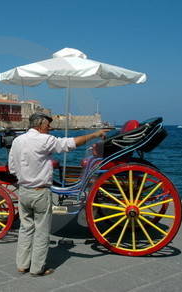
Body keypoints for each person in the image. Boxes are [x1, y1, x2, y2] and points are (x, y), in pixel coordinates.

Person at [8, 112, 108, 277]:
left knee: (25, 229)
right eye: (48, 125)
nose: (50, 127)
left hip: (24, 191)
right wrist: (95, 134)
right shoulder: (45, 140)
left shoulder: (17, 141)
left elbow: (12, 167)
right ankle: (37, 268)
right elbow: (70, 144)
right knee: (41, 230)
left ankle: (22, 265)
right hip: (40, 192)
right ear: (40, 125)